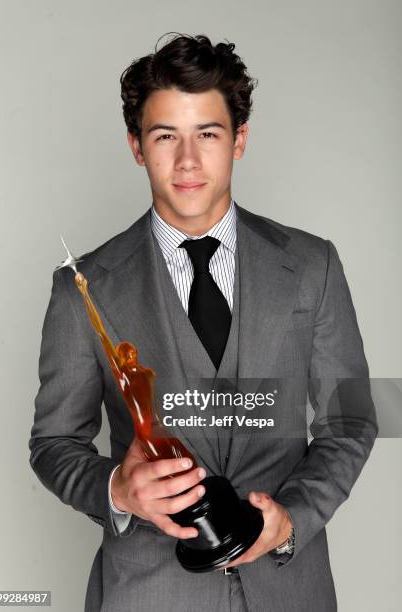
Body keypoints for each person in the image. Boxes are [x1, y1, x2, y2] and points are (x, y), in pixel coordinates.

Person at [29, 33, 378, 612]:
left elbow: (354, 418)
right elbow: (53, 444)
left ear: (239, 140)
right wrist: (117, 489)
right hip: (145, 592)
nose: (187, 161)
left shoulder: (314, 265)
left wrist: (292, 520)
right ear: (137, 147)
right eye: (165, 136)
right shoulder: (81, 290)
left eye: (208, 134)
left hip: (290, 590)